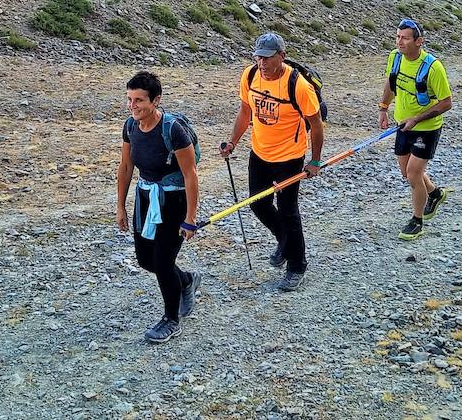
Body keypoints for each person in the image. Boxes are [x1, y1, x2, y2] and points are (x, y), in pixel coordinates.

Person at [220, 32, 323, 292]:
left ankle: (297, 265)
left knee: (288, 210)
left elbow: (316, 124)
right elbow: (245, 111)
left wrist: (315, 161)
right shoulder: (250, 75)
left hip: (289, 156)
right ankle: (285, 242)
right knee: (258, 202)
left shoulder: (298, 85)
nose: (261, 63)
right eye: (258, 57)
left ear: (281, 56)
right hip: (260, 153)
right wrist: (233, 142)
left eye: (267, 58)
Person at [116, 71, 201, 343]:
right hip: (146, 196)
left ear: (156, 100)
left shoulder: (173, 130)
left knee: (163, 262)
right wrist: (120, 206)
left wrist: (190, 218)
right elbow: (126, 166)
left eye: (139, 100)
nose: (133, 106)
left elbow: (191, 174)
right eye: (130, 99)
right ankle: (186, 280)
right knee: (145, 260)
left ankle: (171, 320)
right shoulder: (130, 127)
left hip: (174, 200)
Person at [379, 18, 454, 241]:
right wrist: (383, 108)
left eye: (405, 38)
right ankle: (435, 193)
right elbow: (391, 83)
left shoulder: (433, 67)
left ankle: (417, 221)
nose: (399, 42)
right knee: (407, 173)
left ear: (419, 41)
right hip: (403, 124)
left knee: (413, 173)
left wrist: (417, 119)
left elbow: (446, 102)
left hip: (426, 128)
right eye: (398, 37)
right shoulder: (395, 57)